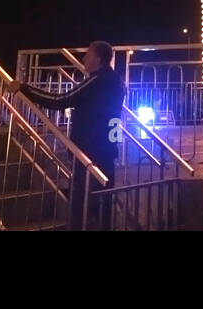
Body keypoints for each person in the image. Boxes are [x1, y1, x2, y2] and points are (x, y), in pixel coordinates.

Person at [12, 41, 125, 230]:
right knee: (104, 203)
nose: (83, 59)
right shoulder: (117, 82)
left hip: (88, 153)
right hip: (107, 150)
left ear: (98, 59)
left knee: (80, 202)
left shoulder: (95, 81)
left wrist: (25, 89)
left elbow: (60, 100)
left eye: (87, 55)